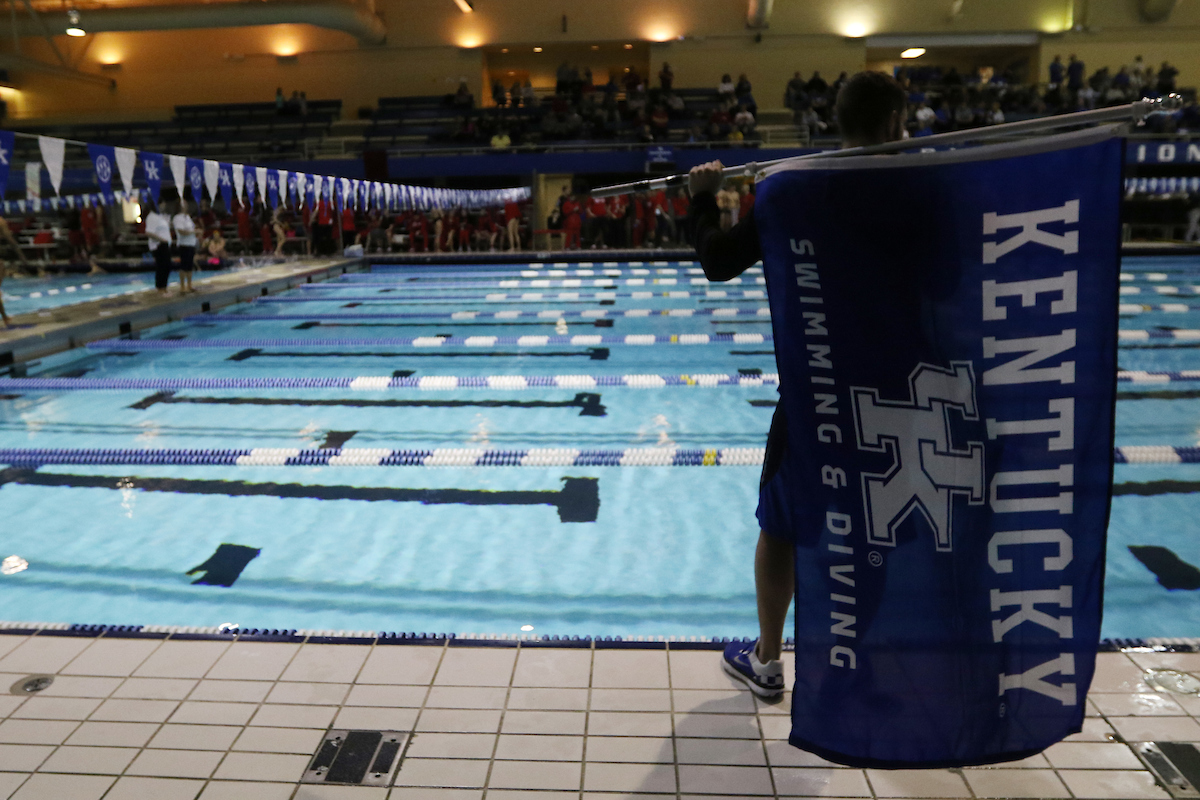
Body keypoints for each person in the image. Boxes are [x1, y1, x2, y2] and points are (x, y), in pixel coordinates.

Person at [686, 70, 907, 696]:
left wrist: (703, 198)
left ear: (834, 121)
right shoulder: (923, 194)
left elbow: (719, 262)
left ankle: (767, 659)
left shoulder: (791, 192)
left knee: (780, 526)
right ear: (894, 122)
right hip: (896, 399)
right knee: (875, 529)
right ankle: (854, 656)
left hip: (815, 401)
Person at [145, 200, 173, 295]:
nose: (164, 205)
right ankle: (160, 288)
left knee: (167, 266)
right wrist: (161, 239)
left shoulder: (160, 217)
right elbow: (149, 232)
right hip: (158, 246)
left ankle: (164, 287)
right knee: (162, 266)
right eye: (162, 204)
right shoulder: (152, 217)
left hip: (165, 245)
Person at [171, 200, 197, 293]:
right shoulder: (178, 218)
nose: (186, 206)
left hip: (191, 243)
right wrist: (194, 232)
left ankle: (189, 285)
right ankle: (182, 286)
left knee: (189, 265)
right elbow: (181, 231)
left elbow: (191, 229)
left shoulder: (187, 217)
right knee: (184, 266)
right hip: (184, 244)